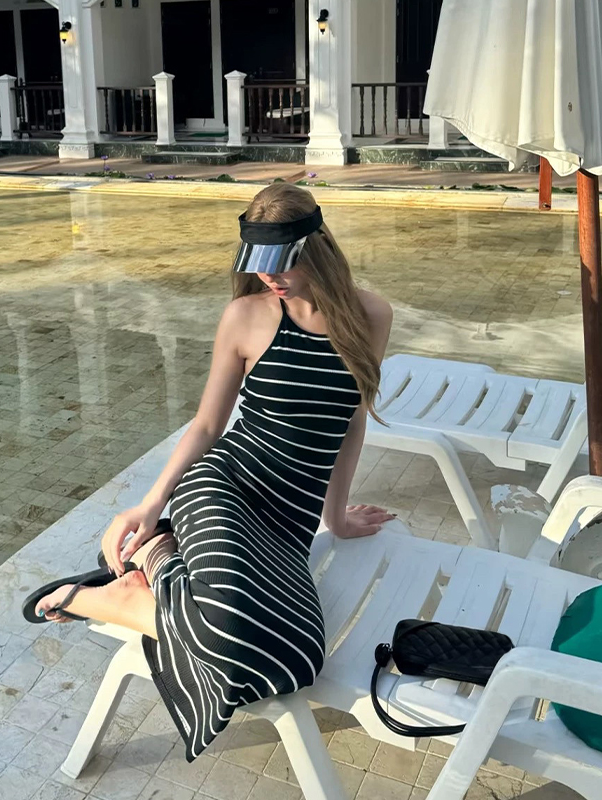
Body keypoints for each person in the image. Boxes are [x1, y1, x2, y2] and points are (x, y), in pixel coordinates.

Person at [28, 183, 394, 761]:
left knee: (297, 659)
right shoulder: (246, 316)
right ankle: (134, 581)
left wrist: (337, 519)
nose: (270, 276)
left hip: (288, 520)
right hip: (224, 485)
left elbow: (348, 424)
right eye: (260, 263)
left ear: (317, 249)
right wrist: (150, 504)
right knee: (238, 638)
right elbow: (206, 426)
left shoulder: (371, 315)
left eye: (282, 263)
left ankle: (152, 576)